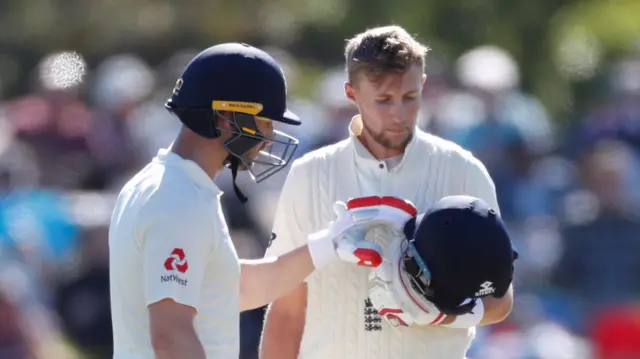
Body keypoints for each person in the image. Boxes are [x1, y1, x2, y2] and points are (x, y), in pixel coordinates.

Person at [107, 43, 400, 359]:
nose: (270, 134)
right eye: (264, 120)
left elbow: (230, 289)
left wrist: (327, 244)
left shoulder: (171, 187)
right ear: (226, 118)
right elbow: (170, 334)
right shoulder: (177, 198)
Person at [260, 25, 515, 359]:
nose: (399, 115)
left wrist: (442, 314)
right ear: (352, 93)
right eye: (383, 100)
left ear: (422, 84)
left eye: (410, 97)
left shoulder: (463, 170)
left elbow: (500, 299)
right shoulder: (310, 175)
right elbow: (287, 308)